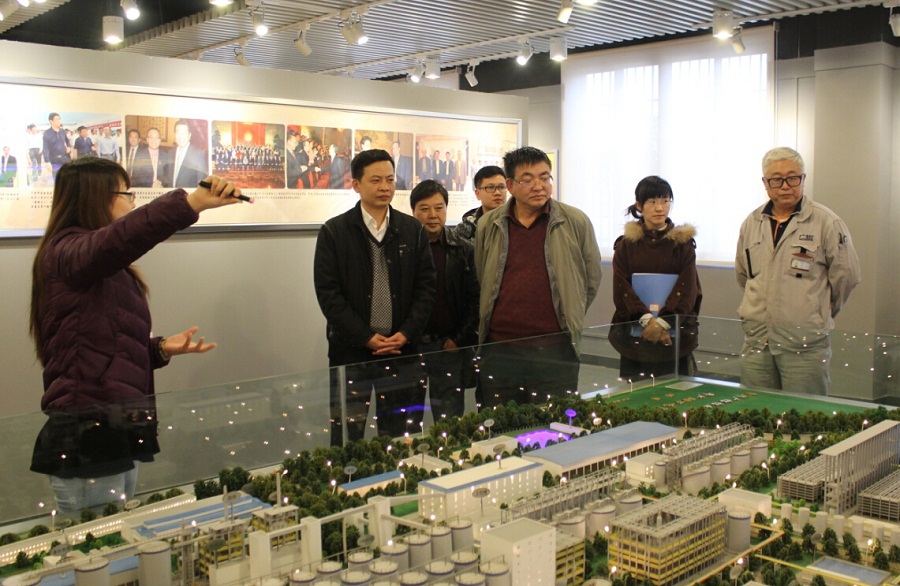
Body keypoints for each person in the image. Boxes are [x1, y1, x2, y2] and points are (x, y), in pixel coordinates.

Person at [28, 157, 244, 514]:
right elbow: (121, 239)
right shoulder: (68, 253)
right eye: (125, 194)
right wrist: (189, 203)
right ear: (96, 196)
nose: (132, 202)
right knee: (96, 538)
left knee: (116, 529)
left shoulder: (90, 261)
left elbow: (99, 345)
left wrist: (158, 349)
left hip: (112, 425)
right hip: (88, 431)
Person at [314, 149, 435, 445]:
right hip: (352, 352)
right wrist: (365, 336)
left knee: (400, 436)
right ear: (356, 184)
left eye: (390, 180)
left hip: (402, 352)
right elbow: (329, 295)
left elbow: (426, 288)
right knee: (348, 436)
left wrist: (406, 333)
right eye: (376, 180)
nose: (385, 187)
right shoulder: (334, 231)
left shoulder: (412, 230)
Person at [475, 146, 602, 407]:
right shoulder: (489, 224)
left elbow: (590, 279)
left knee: (553, 423)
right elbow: (482, 273)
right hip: (500, 349)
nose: (539, 186)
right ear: (510, 185)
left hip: (555, 349)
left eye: (545, 178)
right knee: (499, 424)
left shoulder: (575, 221)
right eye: (528, 179)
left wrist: (570, 313)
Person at [735, 146, 860, 395]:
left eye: (792, 178)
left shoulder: (826, 222)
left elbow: (847, 277)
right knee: (755, 410)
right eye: (776, 179)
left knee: (803, 414)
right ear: (765, 183)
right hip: (758, 341)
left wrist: (818, 311)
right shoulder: (752, 222)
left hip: (805, 344)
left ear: (803, 179)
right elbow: (743, 275)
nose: (785, 186)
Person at [609, 176, 702, 380]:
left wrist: (663, 323)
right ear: (639, 205)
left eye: (665, 201)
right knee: (636, 393)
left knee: (677, 392)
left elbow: (688, 288)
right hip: (635, 334)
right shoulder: (626, 245)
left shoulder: (683, 244)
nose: (660, 208)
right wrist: (647, 321)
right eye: (652, 202)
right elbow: (622, 288)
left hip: (675, 334)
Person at [410, 180, 479, 420]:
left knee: (449, 419)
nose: (432, 215)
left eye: (439, 208)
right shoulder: (404, 249)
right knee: (408, 419)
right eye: (424, 208)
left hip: (447, 347)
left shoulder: (463, 249)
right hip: (411, 349)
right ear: (413, 211)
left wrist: (458, 339)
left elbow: (475, 301)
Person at [454, 165, 507, 240]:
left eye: (501, 187)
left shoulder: (517, 222)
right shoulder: (465, 230)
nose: (497, 192)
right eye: (490, 187)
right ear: (477, 193)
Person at [166, 119, 208, 188]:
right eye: (178, 133)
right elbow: (168, 178)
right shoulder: (170, 153)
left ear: (189, 135)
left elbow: (202, 183)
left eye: (184, 133)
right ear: (175, 135)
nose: (181, 136)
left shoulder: (199, 154)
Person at [43, 112, 71, 178]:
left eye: (59, 119)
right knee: (57, 179)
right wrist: (47, 162)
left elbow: (67, 141)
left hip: (64, 159)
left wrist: (69, 147)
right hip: (54, 160)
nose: (59, 121)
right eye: (56, 119)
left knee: (67, 178)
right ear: (51, 121)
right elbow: (45, 148)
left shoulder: (62, 131)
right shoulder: (47, 133)